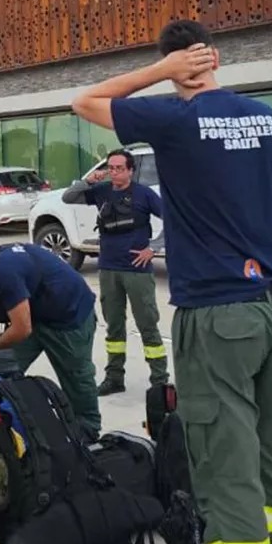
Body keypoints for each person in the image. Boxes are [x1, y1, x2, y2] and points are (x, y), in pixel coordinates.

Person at [72, 19, 272, 544]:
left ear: (178, 63)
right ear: (214, 59)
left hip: (217, 315)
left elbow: (84, 100)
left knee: (225, 463)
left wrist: (161, 74)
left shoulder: (174, 119)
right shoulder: (269, 119)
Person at [0, 236, 102, 439]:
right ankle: (5, 416)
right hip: (36, 317)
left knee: (77, 378)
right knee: (2, 365)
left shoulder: (7, 271)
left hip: (69, 317)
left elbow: (21, 329)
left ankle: (88, 433)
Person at [64, 149, 168, 395]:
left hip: (137, 271)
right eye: (111, 167)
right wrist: (87, 181)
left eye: (120, 168)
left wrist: (153, 249)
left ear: (131, 170)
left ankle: (160, 379)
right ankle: (114, 378)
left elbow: (173, 219)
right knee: (114, 327)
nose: (114, 172)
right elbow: (69, 197)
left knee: (147, 325)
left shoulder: (144, 195)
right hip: (109, 269)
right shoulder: (102, 191)